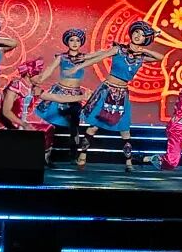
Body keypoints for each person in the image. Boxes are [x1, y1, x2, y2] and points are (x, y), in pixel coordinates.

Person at [70, 21, 164, 172]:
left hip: (122, 94)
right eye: (136, 32)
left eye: (142, 35)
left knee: (125, 130)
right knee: (94, 126)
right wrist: (79, 66)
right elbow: (99, 57)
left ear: (145, 39)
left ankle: (129, 163)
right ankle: (82, 156)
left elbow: (160, 57)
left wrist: (144, 49)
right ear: (131, 33)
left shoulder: (141, 57)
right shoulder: (118, 49)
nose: (138, 36)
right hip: (107, 90)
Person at [0, 58, 87, 167]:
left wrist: (82, 97)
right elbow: (6, 111)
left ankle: (44, 158)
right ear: (29, 74)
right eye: (37, 74)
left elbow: (57, 97)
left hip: (24, 121)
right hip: (10, 121)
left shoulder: (34, 88)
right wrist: (23, 124)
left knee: (48, 128)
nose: (40, 77)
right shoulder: (15, 86)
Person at [33, 29, 90, 157]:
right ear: (67, 42)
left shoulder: (85, 58)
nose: (74, 43)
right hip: (60, 92)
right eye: (71, 40)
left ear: (81, 42)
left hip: (75, 95)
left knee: (74, 125)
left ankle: (74, 152)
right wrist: (39, 80)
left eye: (78, 40)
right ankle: (46, 153)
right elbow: (50, 69)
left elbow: (99, 56)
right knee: (51, 122)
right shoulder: (61, 57)